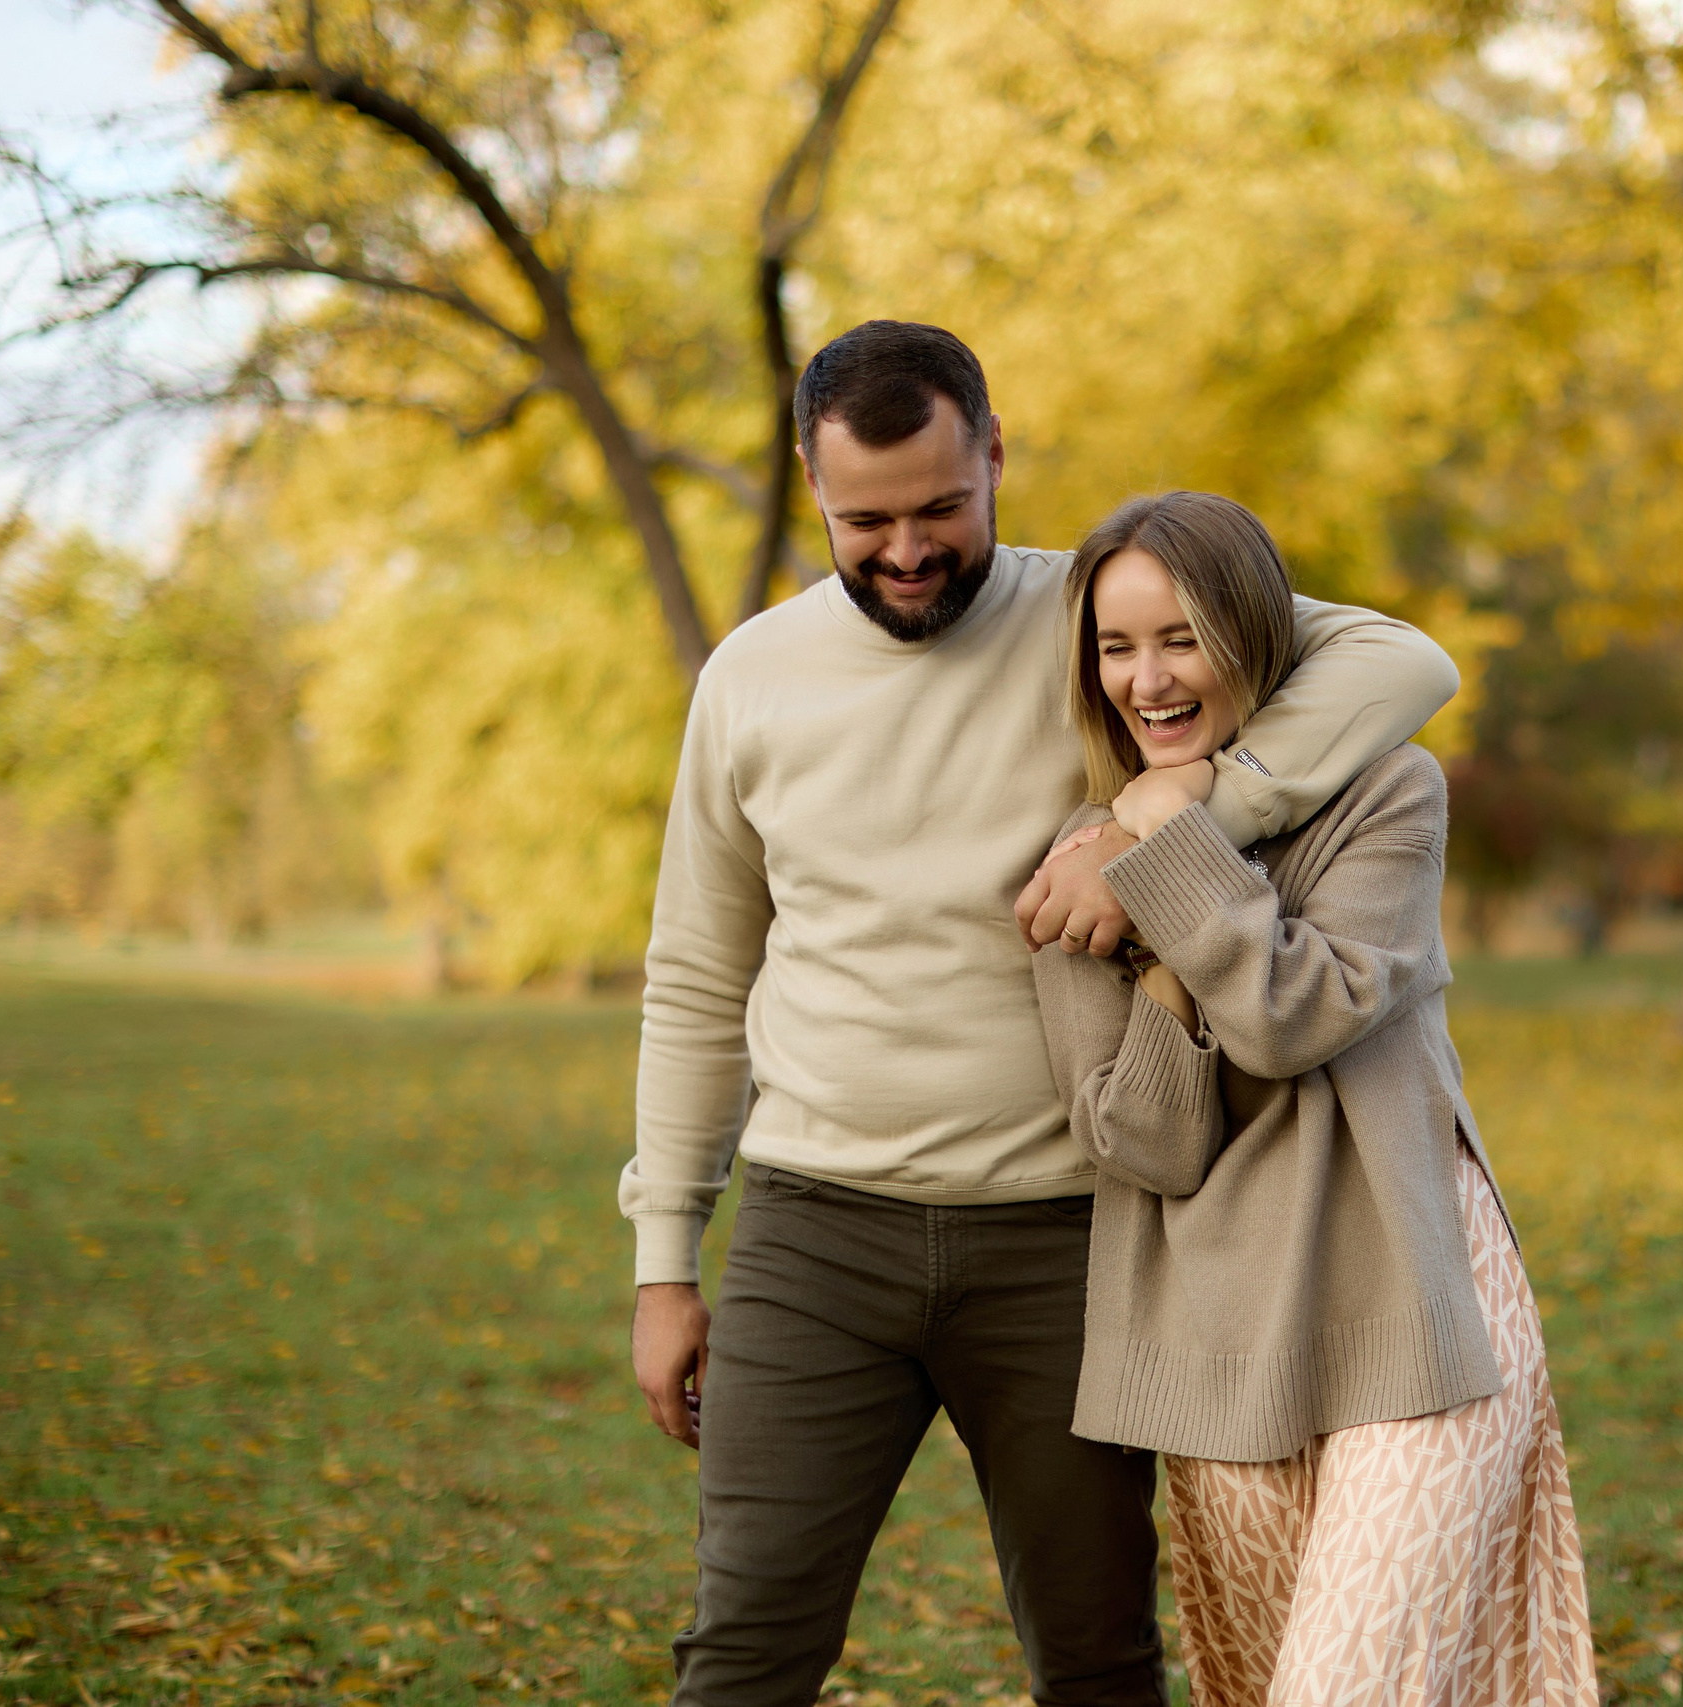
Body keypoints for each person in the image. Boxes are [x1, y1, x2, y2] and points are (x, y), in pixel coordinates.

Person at [620, 321, 1459, 1707]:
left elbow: (1405, 662)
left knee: (1097, 1654)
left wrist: (1187, 798)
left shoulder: (1103, 616)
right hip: (812, 1232)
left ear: (997, 455)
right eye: (863, 518)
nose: (905, 548)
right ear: (810, 486)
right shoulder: (749, 679)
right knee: (746, 1647)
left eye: (941, 507)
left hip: (1070, 1238)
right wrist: (665, 1260)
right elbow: (700, 977)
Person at [1031, 491, 1598, 1707]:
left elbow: (1297, 1016)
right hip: (1222, 1343)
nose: (1149, 679)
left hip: (1415, 1306)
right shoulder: (1081, 865)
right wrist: (1164, 938)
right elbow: (1150, 1143)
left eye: (1182, 637)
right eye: (1116, 647)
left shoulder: (1390, 793)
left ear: (1254, 638)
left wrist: (1170, 848)